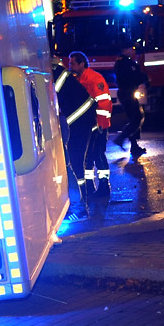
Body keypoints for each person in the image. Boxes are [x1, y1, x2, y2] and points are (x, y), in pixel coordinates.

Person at [67, 51, 113, 195]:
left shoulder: (94, 78)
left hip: (98, 125)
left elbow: (104, 103)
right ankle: (89, 186)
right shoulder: (78, 79)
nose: (70, 66)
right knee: (87, 156)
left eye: (72, 63)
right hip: (87, 125)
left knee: (97, 154)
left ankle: (104, 186)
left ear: (82, 63)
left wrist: (99, 124)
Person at [54, 57, 96, 213]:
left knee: (74, 162)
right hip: (83, 120)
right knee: (75, 161)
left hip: (80, 122)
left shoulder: (53, 76)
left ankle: (80, 206)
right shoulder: (56, 72)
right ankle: (81, 201)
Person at [112, 44, 148, 156]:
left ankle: (134, 146)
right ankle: (121, 138)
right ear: (126, 50)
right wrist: (145, 79)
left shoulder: (122, 62)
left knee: (134, 118)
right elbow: (135, 76)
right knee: (137, 118)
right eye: (132, 49)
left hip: (126, 92)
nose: (133, 51)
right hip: (127, 93)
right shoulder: (126, 63)